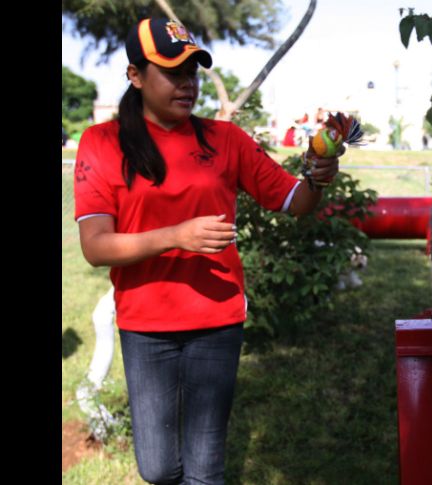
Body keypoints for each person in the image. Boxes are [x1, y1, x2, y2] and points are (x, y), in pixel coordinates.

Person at [73, 18, 341, 484]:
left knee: (204, 467)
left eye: (192, 72)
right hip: (145, 324)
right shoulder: (101, 143)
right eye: (173, 72)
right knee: (157, 468)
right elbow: (95, 247)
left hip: (216, 321)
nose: (188, 84)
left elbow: (293, 202)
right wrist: (175, 236)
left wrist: (319, 176)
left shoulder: (226, 139)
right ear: (135, 76)